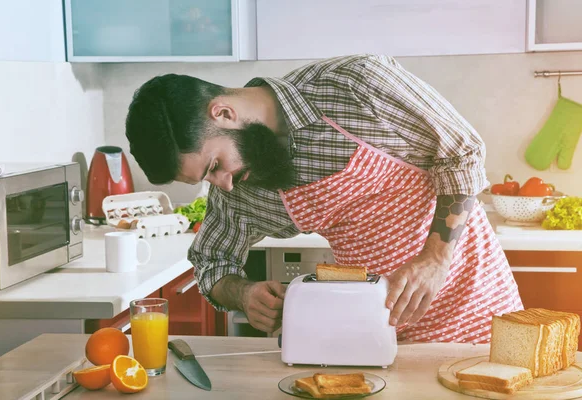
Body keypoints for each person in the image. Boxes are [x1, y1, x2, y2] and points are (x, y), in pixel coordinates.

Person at [124, 54, 523, 343]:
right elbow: (211, 263)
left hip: (479, 310)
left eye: (214, 166)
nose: (223, 185)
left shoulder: (357, 83)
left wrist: (435, 258)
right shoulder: (239, 191)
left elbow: (463, 150)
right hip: (377, 336)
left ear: (224, 113)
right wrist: (243, 294)